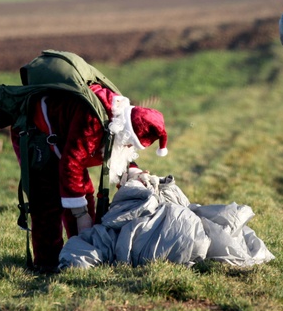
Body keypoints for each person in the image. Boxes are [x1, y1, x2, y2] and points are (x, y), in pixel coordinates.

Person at [10, 81, 169, 273]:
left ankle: (80, 255)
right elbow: (71, 165)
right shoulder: (92, 121)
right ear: (124, 129)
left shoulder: (119, 119)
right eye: (130, 143)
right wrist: (80, 215)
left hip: (64, 140)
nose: (129, 148)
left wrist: (134, 173)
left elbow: (119, 152)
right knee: (48, 200)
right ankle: (47, 263)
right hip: (34, 132)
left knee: (83, 192)